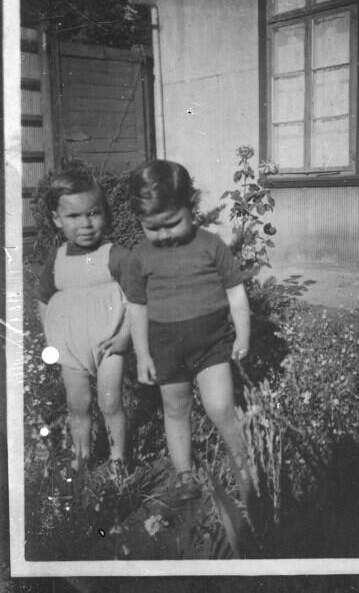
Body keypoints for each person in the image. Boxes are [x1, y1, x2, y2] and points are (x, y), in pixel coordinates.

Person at [125, 159, 253, 506]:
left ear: (190, 207)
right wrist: (142, 355)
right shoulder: (140, 257)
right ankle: (184, 473)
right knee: (175, 409)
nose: (164, 234)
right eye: (153, 228)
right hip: (165, 347)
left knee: (221, 407)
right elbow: (136, 308)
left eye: (172, 223)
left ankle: (244, 469)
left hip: (211, 343)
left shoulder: (211, 245)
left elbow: (235, 292)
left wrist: (242, 335)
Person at [38, 168, 130, 480]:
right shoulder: (57, 258)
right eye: (74, 216)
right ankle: (81, 456)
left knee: (110, 401)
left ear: (104, 213)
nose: (86, 224)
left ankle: (118, 458)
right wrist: (51, 339)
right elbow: (44, 298)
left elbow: (136, 301)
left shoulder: (115, 255)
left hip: (109, 343)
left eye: (93, 213)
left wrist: (125, 336)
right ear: (57, 219)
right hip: (70, 346)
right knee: (78, 404)